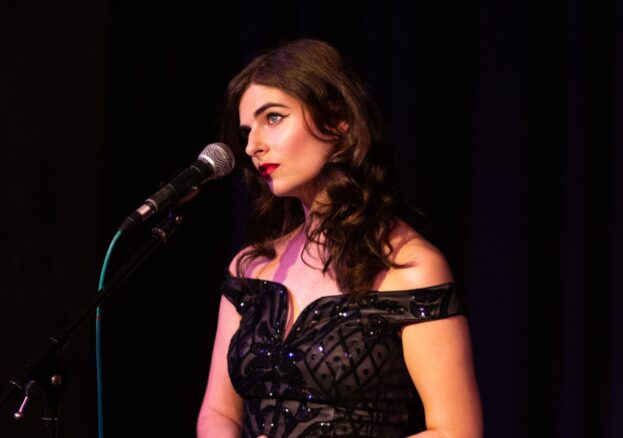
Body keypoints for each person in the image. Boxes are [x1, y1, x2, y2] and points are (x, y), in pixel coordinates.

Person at [197, 39, 482, 438]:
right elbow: (217, 413)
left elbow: (457, 430)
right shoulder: (250, 268)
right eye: (247, 131)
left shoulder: (409, 267)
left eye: (273, 118)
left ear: (338, 121)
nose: (252, 146)